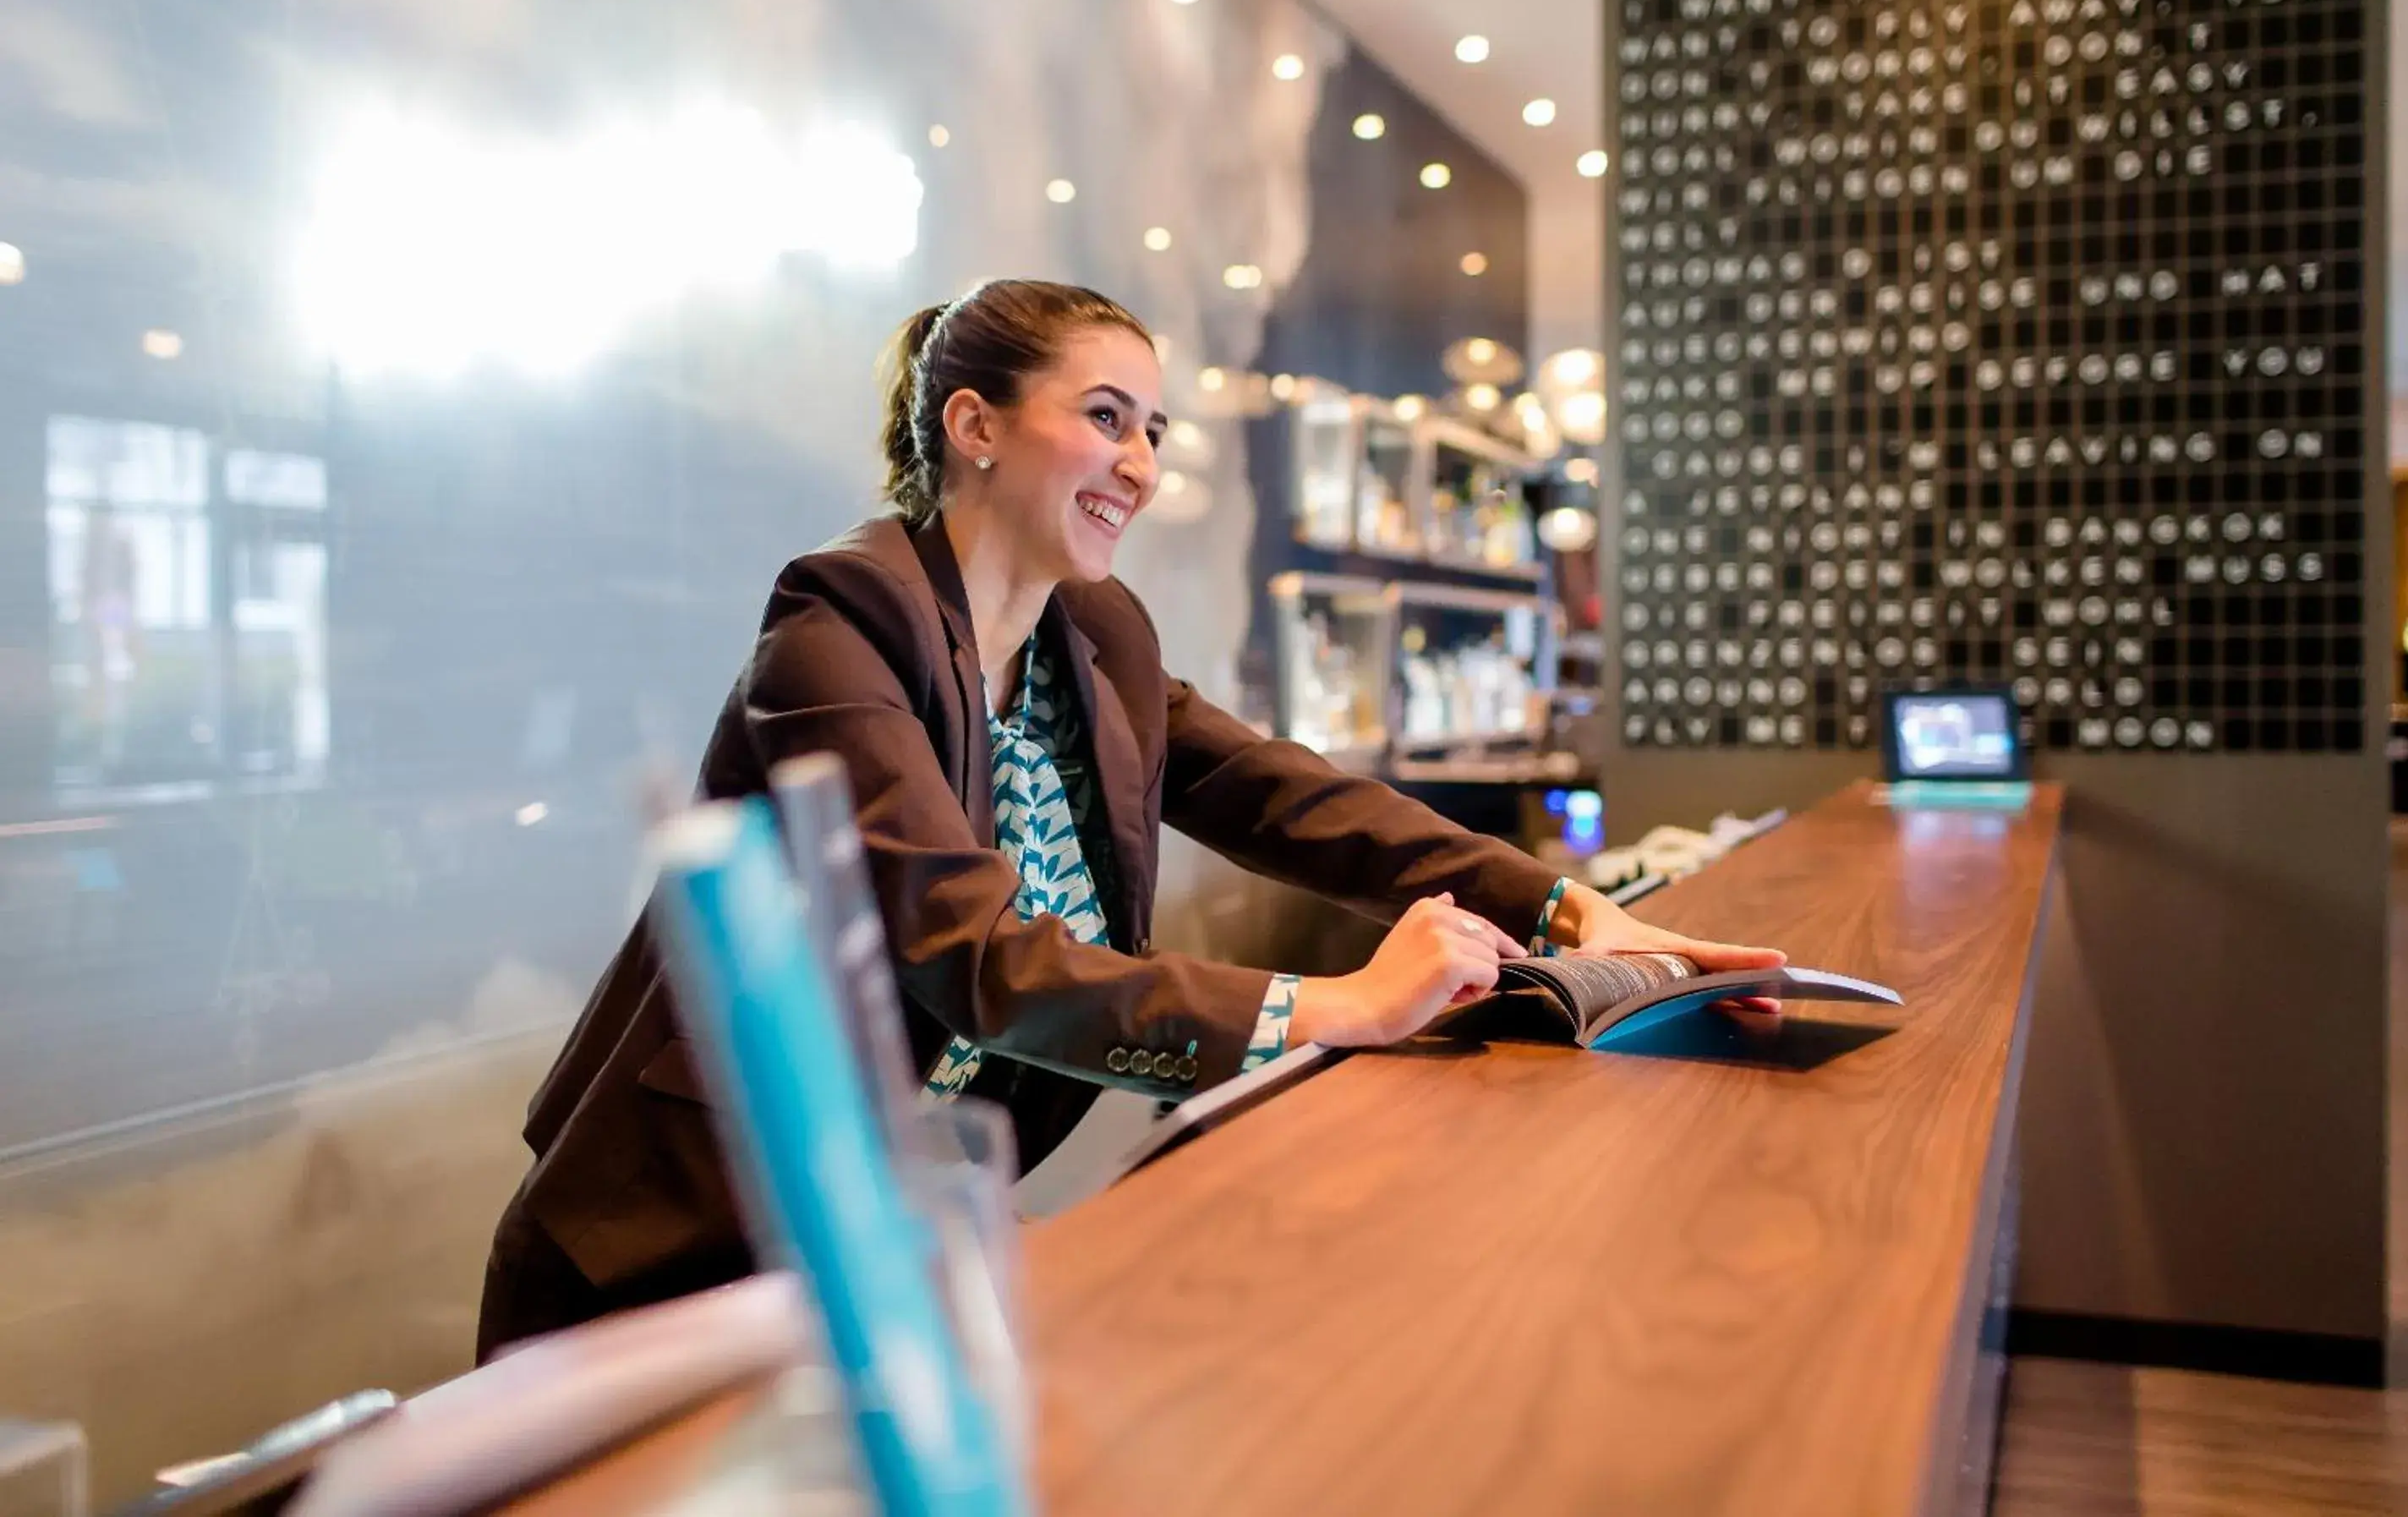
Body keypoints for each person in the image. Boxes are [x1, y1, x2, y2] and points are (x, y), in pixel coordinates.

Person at [476, 279, 1782, 1356]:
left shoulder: (1090, 635)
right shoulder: (842, 622)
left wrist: (1564, 909)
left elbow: (1287, 795)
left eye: (1154, 430)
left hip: (883, 1245)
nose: (1142, 466)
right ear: (976, 424)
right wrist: (1332, 1007)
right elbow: (973, 957)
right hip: (685, 1241)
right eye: (1107, 419)